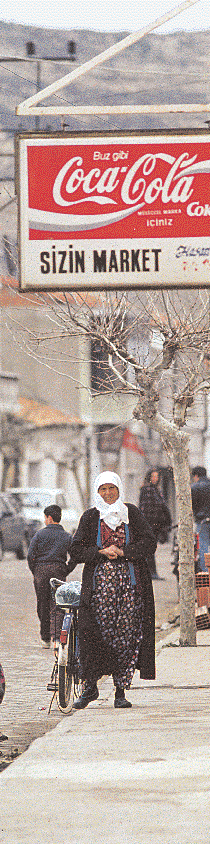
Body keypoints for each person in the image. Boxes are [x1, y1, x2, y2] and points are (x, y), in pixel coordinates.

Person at [69, 470, 156, 710]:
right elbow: (75, 550)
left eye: (112, 488)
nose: (108, 494)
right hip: (99, 590)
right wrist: (99, 552)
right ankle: (91, 687)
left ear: (119, 489)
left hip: (130, 589)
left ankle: (120, 691)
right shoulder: (90, 517)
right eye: (103, 489)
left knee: (125, 637)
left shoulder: (132, 514)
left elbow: (150, 543)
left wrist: (124, 552)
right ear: (97, 491)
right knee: (95, 635)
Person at [27, 504, 72, 649]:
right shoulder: (67, 536)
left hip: (41, 570)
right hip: (59, 569)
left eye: (45, 518)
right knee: (58, 604)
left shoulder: (39, 534)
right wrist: (66, 569)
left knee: (43, 604)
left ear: (49, 518)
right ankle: (57, 638)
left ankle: (45, 637)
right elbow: (75, 556)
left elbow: (30, 555)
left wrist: (35, 570)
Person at [138, 468, 172, 579]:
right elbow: (146, 509)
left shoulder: (156, 490)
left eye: (157, 476)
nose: (155, 479)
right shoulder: (147, 489)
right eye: (153, 476)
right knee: (149, 549)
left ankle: (151, 572)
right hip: (150, 525)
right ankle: (151, 573)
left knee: (150, 549)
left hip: (155, 525)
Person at [191, 466, 210, 572]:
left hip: (202, 521)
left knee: (203, 546)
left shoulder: (194, 487)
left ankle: (206, 573)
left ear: (196, 476)